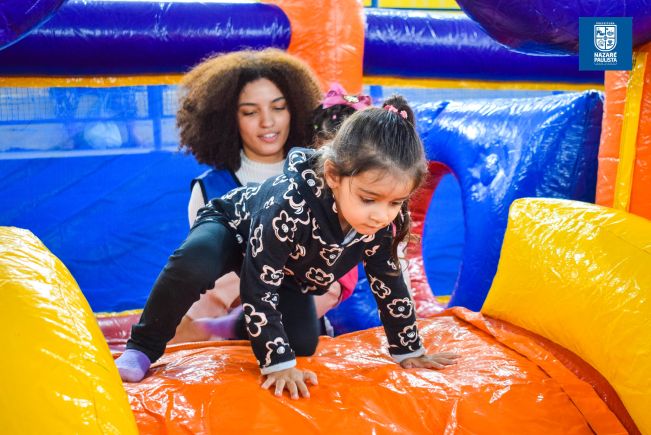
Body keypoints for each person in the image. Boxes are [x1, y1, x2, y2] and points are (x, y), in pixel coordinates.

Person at [115, 95, 460, 398]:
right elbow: (258, 283)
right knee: (194, 263)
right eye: (369, 199)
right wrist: (277, 364)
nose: (380, 215)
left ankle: (234, 326)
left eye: (395, 202)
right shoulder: (291, 203)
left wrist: (408, 349)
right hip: (234, 229)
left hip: (288, 268)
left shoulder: (383, 224)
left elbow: (389, 282)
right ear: (333, 175)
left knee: (302, 344)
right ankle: (142, 347)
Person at [169, 50, 362, 343]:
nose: (267, 122)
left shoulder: (325, 174)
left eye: (278, 108)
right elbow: (209, 275)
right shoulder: (210, 188)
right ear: (228, 119)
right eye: (250, 112)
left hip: (300, 332)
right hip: (230, 341)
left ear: (295, 109)